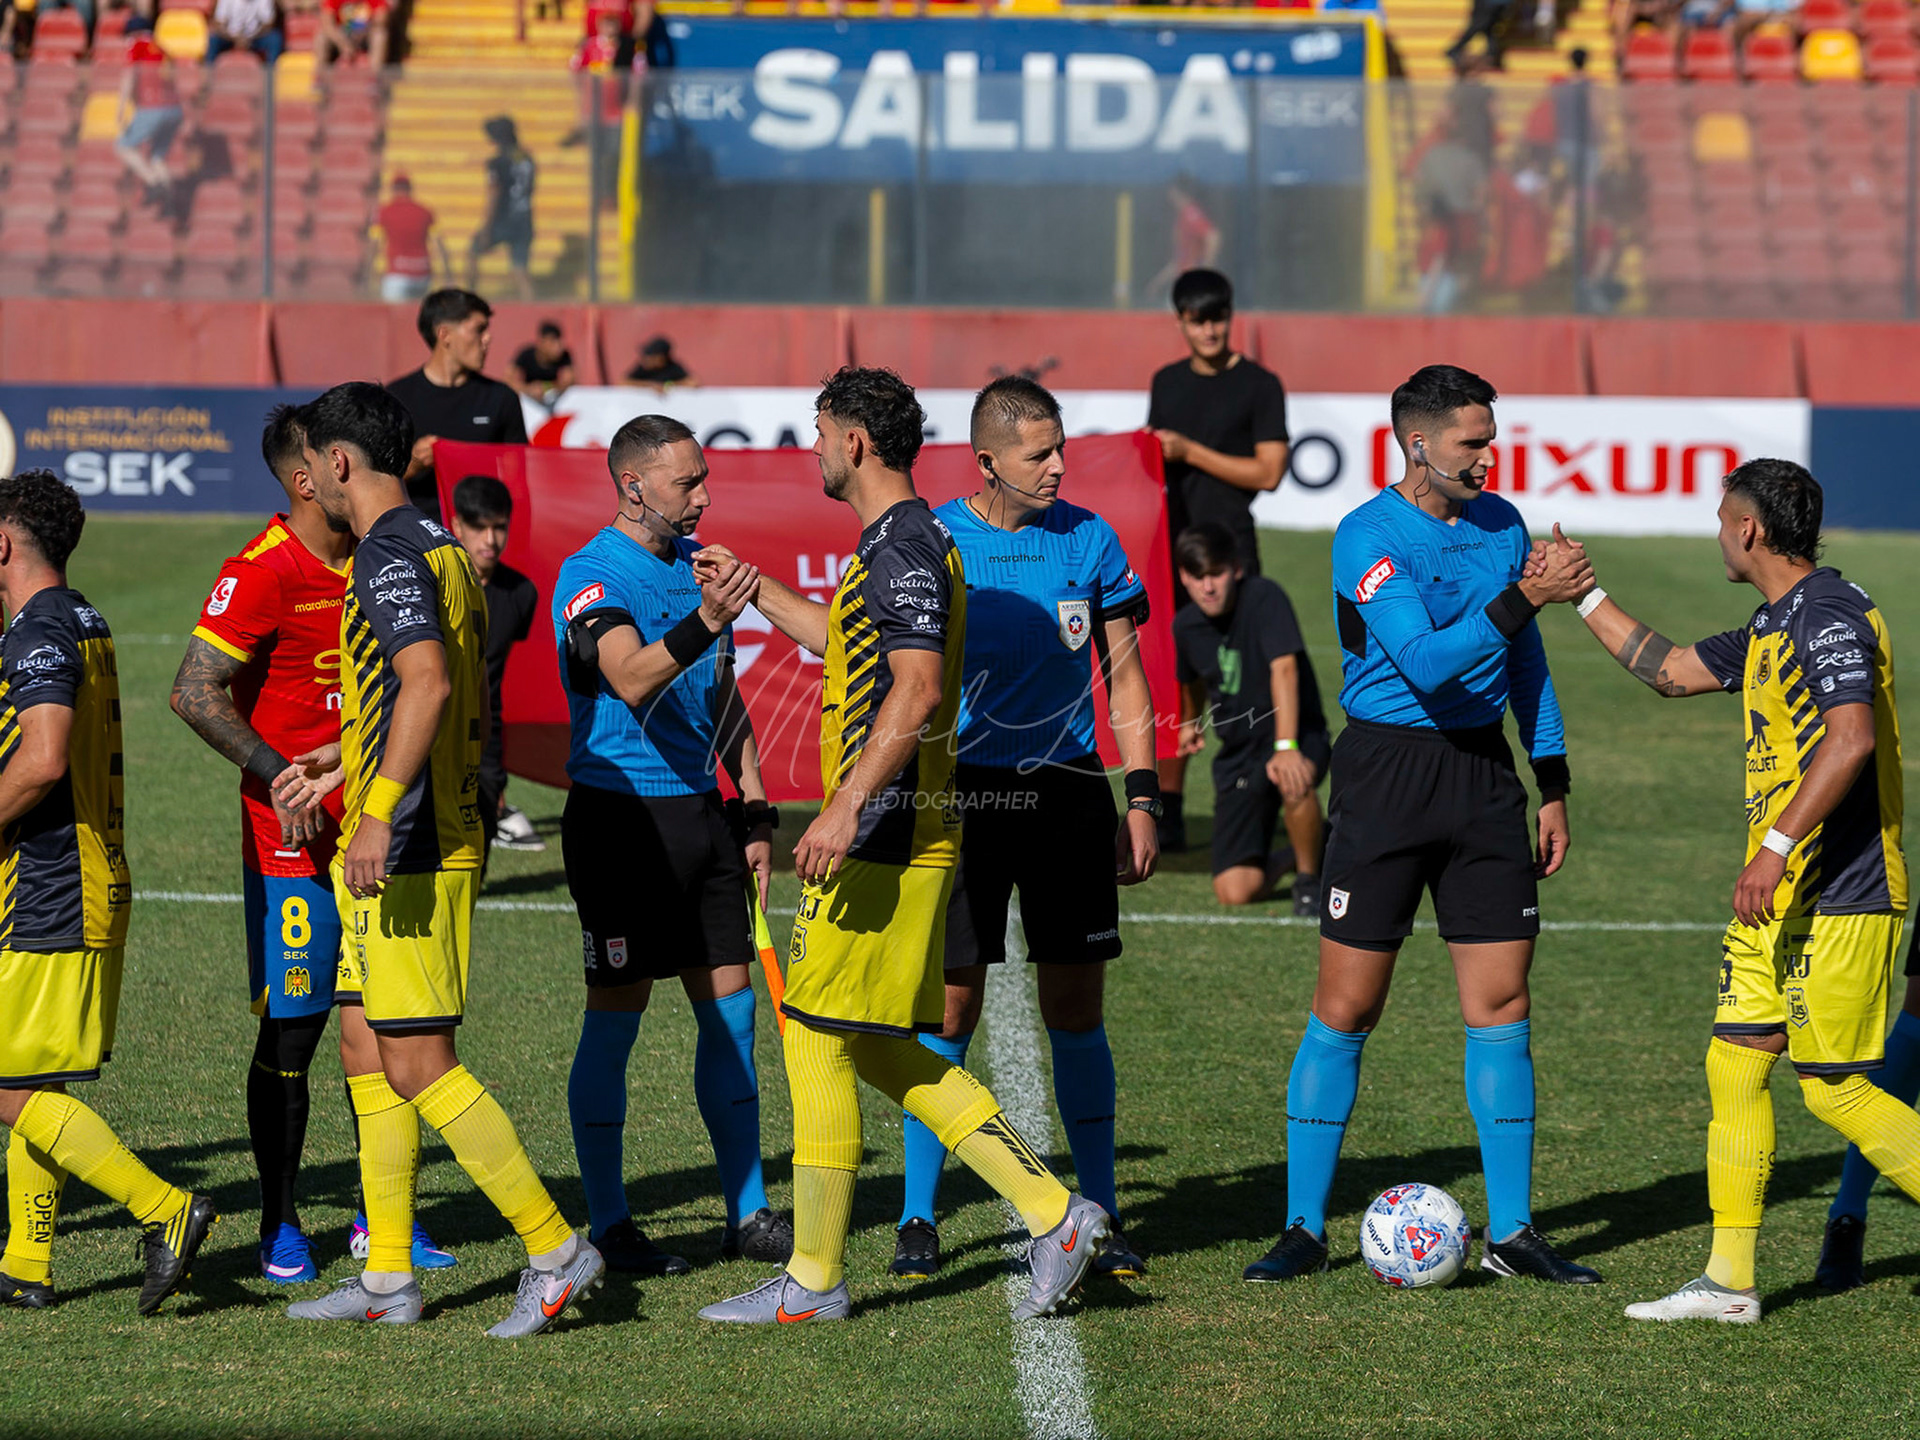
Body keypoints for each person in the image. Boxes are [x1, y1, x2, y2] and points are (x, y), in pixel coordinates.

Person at [695, 367, 1111, 1325]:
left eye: (819, 433)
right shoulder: (901, 540)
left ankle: (815, 1278)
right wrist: (756, 591)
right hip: (902, 830)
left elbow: (917, 689)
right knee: (874, 1048)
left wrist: (844, 807)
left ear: (853, 442)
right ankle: (1053, 1214)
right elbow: (849, 648)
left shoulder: (905, 546)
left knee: (817, 1037)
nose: (812, 449)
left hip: (884, 835)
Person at [1244, 364, 1599, 1287]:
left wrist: (1551, 778)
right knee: (1346, 1009)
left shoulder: (1503, 524)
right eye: (1472, 442)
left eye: (1491, 440)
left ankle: (1512, 1234)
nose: (1488, 458)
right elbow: (1427, 661)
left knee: (1503, 1007)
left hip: (1485, 779)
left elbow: (1525, 665)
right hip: (1387, 778)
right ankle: (1302, 1228)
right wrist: (1530, 596)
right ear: (1417, 443)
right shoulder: (1366, 535)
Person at [1554, 461, 1920, 1324]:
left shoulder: (1828, 612)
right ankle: (1729, 1285)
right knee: (1736, 1060)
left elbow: (1852, 738)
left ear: (1749, 529)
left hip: (1839, 888)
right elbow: (1671, 670)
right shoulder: (1773, 621)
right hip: (1778, 898)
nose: (1718, 534)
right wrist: (1583, 594)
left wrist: (1777, 848)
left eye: (1723, 519)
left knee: (1834, 1088)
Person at [277, 382, 601, 1335]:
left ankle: (555, 1249)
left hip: (413, 847)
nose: (309, 483)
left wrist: (376, 811)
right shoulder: (440, 546)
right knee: (363, 1042)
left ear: (340, 461)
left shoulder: (386, 551)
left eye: (313, 465)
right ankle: (387, 1274)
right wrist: (344, 755)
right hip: (421, 827)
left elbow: (426, 681)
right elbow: (427, 693)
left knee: (419, 1061)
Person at [886, 376, 1161, 1283]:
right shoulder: (936, 543)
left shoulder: (1090, 539)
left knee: (1075, 1010)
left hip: (1069, 795)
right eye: (1038, 454)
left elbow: (1126, 677)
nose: (1057, 467)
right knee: (949, 1010)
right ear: (986, 461)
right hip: (961, 797)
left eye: (1060, 448)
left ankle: (1103, 1208)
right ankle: (917, 1213)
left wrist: (1143, 797)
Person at [171, 406, 451, 1285]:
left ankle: (380, 1220)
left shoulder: (382, 557)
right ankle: (280, 1220)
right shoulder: (263, 570)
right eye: (328, 461)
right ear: (308, 478)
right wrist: (277, 775)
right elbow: (192, 690)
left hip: (372, 827)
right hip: (290, 844)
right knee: (293, 1033)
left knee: (382, 1032)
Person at [552, 415, 794, 1277]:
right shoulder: (590, 574)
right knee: (615, 1022)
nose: (704, 495)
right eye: (687, 482)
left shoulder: (700, 567)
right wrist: (705, 617)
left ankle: (749, 1213)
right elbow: (628, 673)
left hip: (703, 820)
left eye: (704, 478)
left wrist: (755, 812)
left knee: (734, 1018)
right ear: (633, 486)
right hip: (621, 826)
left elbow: (721, 695)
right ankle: (612, 1224)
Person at [0, 470, 216, 1316]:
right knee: (33, 1081)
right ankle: (26, 1262)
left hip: (49, 887)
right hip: (84, 880)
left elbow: (44, 758)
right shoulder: (82, 615)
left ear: (3, 543)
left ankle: (165, 1209)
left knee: (10, 1089)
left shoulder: (39, 628)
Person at [1146, 267, 1289, 854]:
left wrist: (1190, 451)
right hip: (1172, 550)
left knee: (1242, 681)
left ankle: (1255, 802)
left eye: (1218, 318)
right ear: (1180, 322)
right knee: (1174, 677)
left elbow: (1269, 472)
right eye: (1197, 320)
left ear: (1231, 317)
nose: (1209, 330)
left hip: (1232, 550)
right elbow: (1153, 466)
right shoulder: (1166, 381)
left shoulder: (1260, 384)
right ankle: (1169, 808)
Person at [1172, 522, 1330, 914]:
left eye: (1217, 574)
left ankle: (1309, 880)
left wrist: (1286, 746)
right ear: (1184, 577)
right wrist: (1190, 721)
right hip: (1239, 752)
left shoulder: (1264, 597)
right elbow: (1191, 681)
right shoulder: (1186, 626)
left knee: (1292, 778)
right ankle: (1316, 842)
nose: (1208, 587)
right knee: (1235, 891)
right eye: (1198, 576)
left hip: (1295, 734)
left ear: (1236, 569)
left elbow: (1284, 669)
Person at [445, 475, 543, 854]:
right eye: (479, 527)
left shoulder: (521, 593)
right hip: (426, 725)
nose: (490, 539)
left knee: (478, 848)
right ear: (457, 526)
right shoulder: (431, 582)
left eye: (499, 527)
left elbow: (502, 672)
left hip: (484, 734)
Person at [385, 288, 528, 523]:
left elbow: (519, 485)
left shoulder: (502, 399)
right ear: (445, 335)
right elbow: (373, 484)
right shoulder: (395, 398)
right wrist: (414, 463)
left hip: (481, 538)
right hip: (414, 536)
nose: (487, 338)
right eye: (479, 329)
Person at [470, 117, 536, 302]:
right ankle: (532, 308)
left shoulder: (497, 162)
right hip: (524, 218)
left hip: (503, 218)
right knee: (520, 269)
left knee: (473, 252)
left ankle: (467, 303)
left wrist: (487, 227)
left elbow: (494, 193)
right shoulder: (527, 159)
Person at [116, 33, 183, 198]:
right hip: (174, 110)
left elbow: (129, 76)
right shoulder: (159, 47)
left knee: (123, 146)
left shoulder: (136, 45)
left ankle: (153, 182)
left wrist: (121, 108)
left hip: (153, 106)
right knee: (157, 158)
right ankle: (170, 201)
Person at [1141, 176, 1221, 305]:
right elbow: (1180, 261)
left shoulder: (1191, 214)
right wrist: (1157, 283)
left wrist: (1206, 270)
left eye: (1171, 192)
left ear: (1177, 192)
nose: (1169, 197)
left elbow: (1213, 237)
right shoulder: (1183, 216)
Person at [375, 176, 449, 307]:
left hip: (397, 275)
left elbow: (374, 242)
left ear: (393, 189)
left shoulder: (385, 212)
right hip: (422, 274)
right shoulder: (425, 211)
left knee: (393, 316)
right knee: (420, 315)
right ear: (410, 189)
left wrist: (366, 274)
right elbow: (439, 243)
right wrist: (448, 275)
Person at [507, 322, 575, 406]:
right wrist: (528, 389)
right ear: (542, 342)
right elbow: (508, 379)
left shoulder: (564, 356)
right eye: (552, 343)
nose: (557, 347)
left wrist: (546, 388)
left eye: (558, 342)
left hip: (554, 402)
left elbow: (569, 381)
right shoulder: (526, 354)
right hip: (528, 403)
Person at [316, 0, 388, 69]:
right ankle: (321, 74)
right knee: (321, 38)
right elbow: (327, 23)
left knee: (379, 35)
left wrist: (363, 32)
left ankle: (375, 73)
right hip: (341, 35)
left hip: (366, 32)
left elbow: (381, 19)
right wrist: (343, 44)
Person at [206, 0, 284, 63]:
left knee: (274, 38)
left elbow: (268, 24)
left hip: (255, 37)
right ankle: (209, 74)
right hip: (230, 36)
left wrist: (249, 38)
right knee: (213, 39)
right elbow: (219, 23)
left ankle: (271, 75)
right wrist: (235, 38)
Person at [623, 335, 694, 389]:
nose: (648, 360)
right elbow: (624, 382)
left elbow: (692, 382)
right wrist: (649, 385)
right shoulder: (643, 367)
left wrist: (668, 385)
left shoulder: (673, 368)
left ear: (663, 358)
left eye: (653, 357)